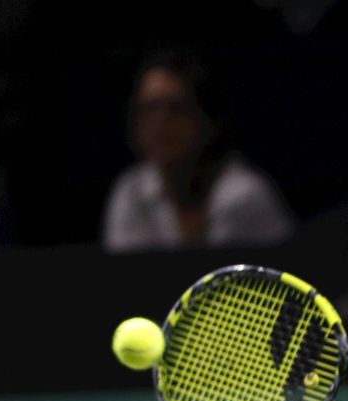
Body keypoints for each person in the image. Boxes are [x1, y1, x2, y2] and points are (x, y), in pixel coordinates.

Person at [102, 52, 293, 252]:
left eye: (175, 109)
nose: (160, 123)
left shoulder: (244, 196)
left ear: (207, 119)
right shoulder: (130, 193)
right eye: (149, 109)